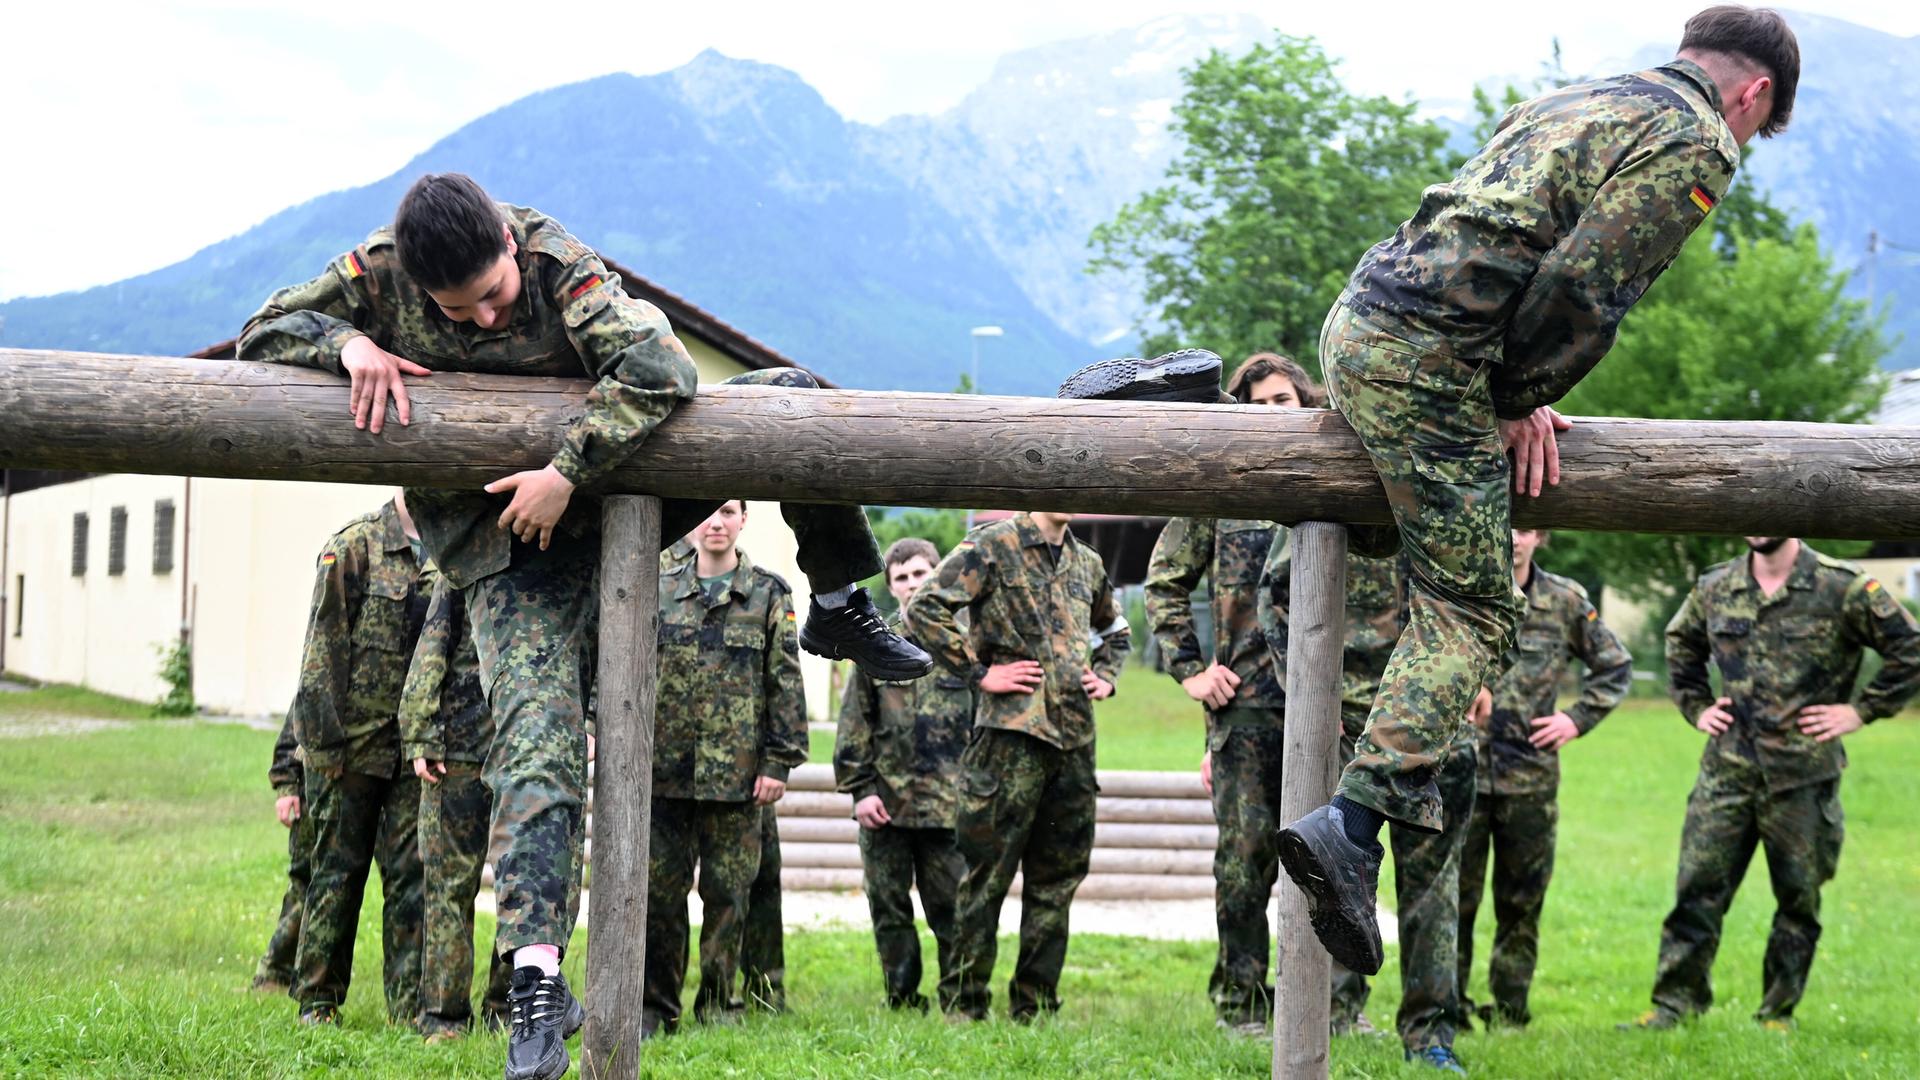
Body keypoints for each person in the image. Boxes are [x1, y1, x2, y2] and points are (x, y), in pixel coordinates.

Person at [238, 173, 925, 1080]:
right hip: (505, 554)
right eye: (456, 310)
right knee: (536, 747)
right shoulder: (376, 271)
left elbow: (663, 368)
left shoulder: (558, 262)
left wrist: (566, 469)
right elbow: (260, 334)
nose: (482, 320)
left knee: (790, 394)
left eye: (493, 295)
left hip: (600, 501)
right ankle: (535, 981)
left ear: (509, 250)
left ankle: (836, 604)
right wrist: (350, 344)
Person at [1267, 7, 1798, 979]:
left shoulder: (1579, 96)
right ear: (1754, 94)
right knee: (1473, 613)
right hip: (1431, 361)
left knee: (1404, 546)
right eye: (1758, 131)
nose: (1745, 145)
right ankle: (1350, 827)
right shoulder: (1697, 138)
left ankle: (1381, 810)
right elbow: (1589, 285)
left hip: (1361, 324)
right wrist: (1518, 396)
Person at [1623, 537, 1920, 1031]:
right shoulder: (1717, 586)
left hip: (1803, 776)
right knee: (1696, 891)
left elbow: (1910, 648)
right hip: (1728, 772)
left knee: (1798, 899)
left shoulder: (1841, 587)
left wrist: (1861, 711)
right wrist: (1697, 707)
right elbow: (1681, 644)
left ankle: (1777, 1013)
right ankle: (1675, 1006)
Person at [1141, 352, 1311, 1034]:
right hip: (1244, 709)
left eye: (1283, 401)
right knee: (1243, 863)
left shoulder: (1337, 482)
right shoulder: (1221, 490)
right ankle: (1241, 1003)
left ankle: (1333, 1005)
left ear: (1305, 403)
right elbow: (1164, 582)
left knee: (1337, 861)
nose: (1272, 413)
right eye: (1258, 404)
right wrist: (1189, 668)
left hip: (1328, 706)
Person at [908, 511, 1130, 1022]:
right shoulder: (994, 544)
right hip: (1010, 737)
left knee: (1058, 881)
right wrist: (979, 673)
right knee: (986, 877)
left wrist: (1108, 677)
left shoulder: (1086, 561)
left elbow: (1115, 630)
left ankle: (1035, 1007)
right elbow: (926, 608)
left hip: (1074, 740)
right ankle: (964, 1005)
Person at [1265, 542, 1476, 1072]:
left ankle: (1430, 1036)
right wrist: (1309, 689)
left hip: (1438, 731)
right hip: (1351, 721)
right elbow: (1275, 597)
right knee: (1338, 876)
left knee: (1434, 890)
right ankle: (1336, 1014)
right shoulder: (1335, 487)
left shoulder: (1447, 495)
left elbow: (1489, 598)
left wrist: (1476, 683)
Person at [642, 501, 807, 1036]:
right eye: (708, 513)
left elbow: (784, 683)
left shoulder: (768, 593)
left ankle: (717, 1006)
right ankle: (654, 1007)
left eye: (729, 512)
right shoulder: (655, 584)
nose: (716, 522)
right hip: (662, 774)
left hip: (737, 779)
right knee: (658, 898)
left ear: (743, 521)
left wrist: (778, 761)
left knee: (729, 898)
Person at [1457, 529, 1631, 1029]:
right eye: (1508, 523)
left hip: (1529, 777)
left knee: (1521, 901)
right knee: (1456, 901)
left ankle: (1510, 1010)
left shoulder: (1564, 601)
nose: (1514, 538)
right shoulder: (1460, 590)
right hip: (1460, 773)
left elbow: (1614, 666)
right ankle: (1450, 1008)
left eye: (1527, 529)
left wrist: (1575, 719)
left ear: (1542, 537)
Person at [287, 493, 429, 1028]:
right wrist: (321, 749)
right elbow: (321, 651)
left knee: (413, 880)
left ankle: (409, 1006)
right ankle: (317, 1002)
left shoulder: (449, 548)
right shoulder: (354, 545)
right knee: (336, 876)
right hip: (350, 753)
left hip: (414, 754)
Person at [834, 537, 975, 1012]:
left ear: (939, 575)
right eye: (902, 577)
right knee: (889, 908)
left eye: (921, 573)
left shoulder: (967, 646)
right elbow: (855, 722)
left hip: (950, 806)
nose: (913, 584)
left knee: (954, 908)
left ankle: (959, 1000)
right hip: (886, 805)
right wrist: (860, 791)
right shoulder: (876, 647)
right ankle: (902, 998)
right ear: (892, 588)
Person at [401, 571, 512, 1041]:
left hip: (527, 751)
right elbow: (431, 649)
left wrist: (586, 719)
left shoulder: (562, 559)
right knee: (449, 885)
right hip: (460, 750)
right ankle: (444, 1017)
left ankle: (507, 1011)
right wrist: (422, 731)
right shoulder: (465, 562)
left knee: (523, 888)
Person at [250, 708, 311, 996]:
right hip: (321, 777)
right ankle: (276, 972)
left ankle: (410, 993)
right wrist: (287, 783)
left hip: (395, 779)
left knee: (407, 883)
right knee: (308, 879)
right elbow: (303, 705)